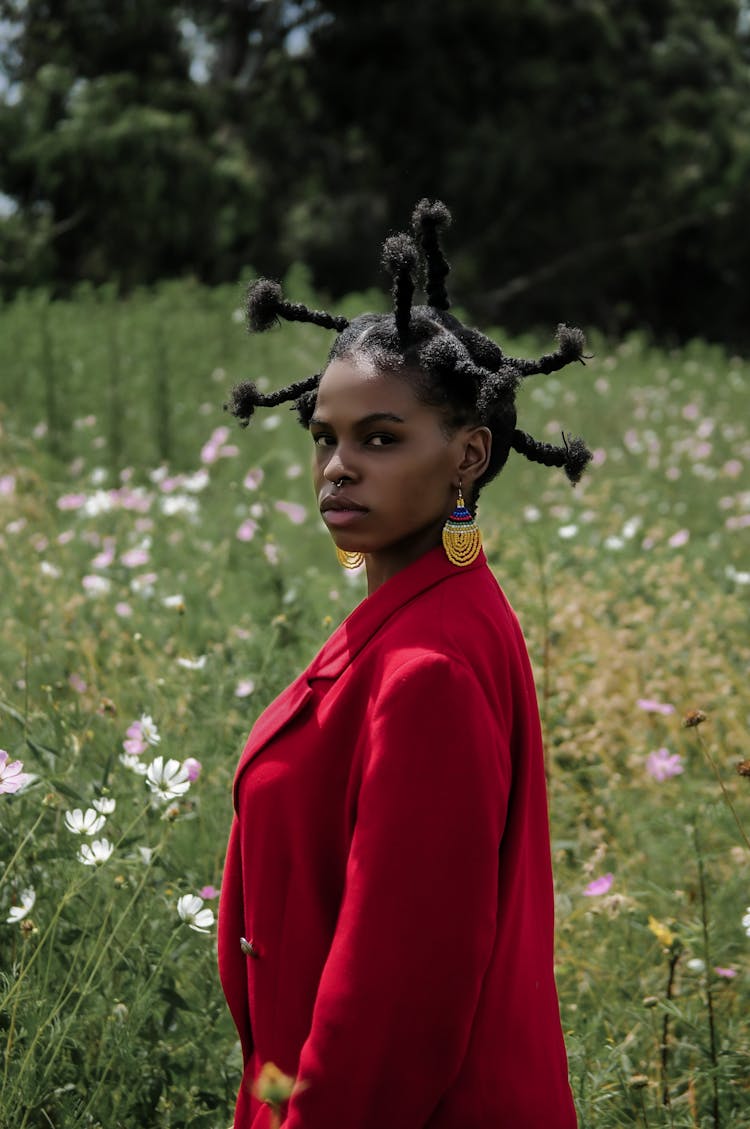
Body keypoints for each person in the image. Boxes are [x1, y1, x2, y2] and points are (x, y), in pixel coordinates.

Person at [217, 200, 589, 1128]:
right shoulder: (432, 607)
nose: (338, 466)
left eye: (379, 438)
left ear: (469, 456)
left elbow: (395, 1000)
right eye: (325, 437)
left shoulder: (432, 663)